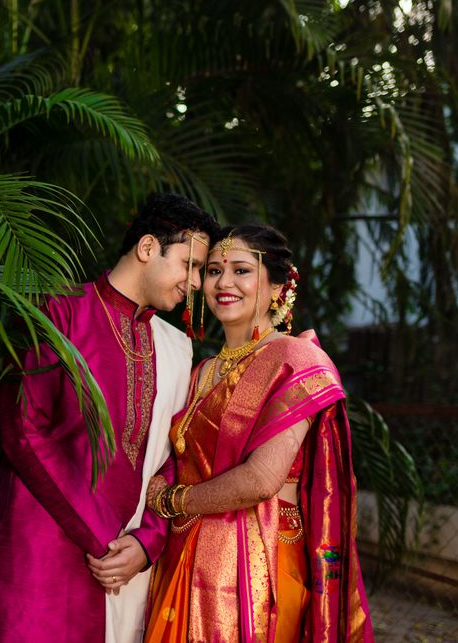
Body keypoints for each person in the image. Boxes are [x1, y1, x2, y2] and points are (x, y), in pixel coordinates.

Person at [0, 193, 219, 643]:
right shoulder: (57, 312)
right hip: (42, 548)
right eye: (190, 264)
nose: (196, 283)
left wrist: (148, 542)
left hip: (130, 567)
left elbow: (174, 457)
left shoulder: (178, 348)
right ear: (147, 248)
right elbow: (23, 429)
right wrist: (103, 536)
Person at [143, 224, 374, 642]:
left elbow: (261, 479)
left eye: (242, 270)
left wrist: (169, 499)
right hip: (183, 555)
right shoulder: (202, 370)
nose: (223, 282)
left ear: (278, 287)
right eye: (213, 270)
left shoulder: (295, 359)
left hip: (256, 564)